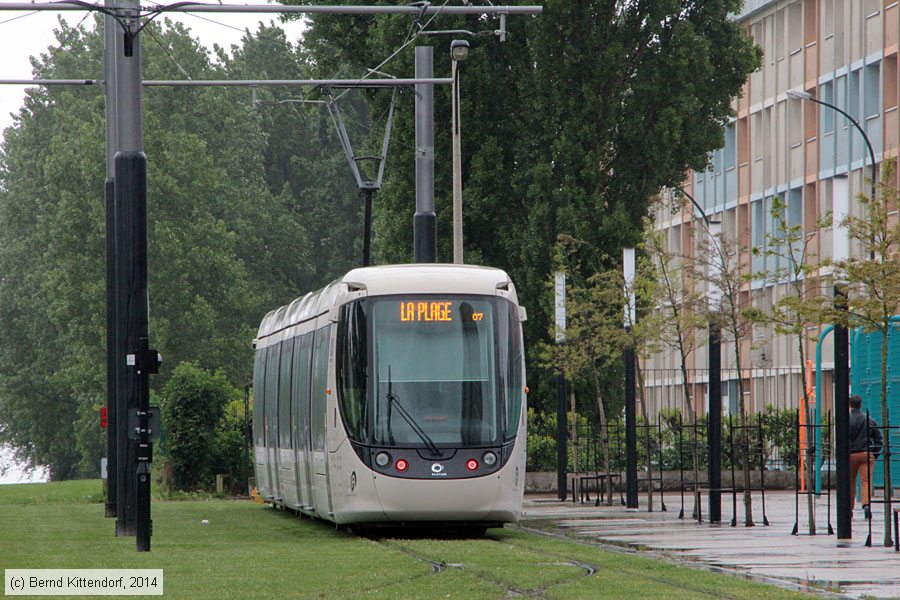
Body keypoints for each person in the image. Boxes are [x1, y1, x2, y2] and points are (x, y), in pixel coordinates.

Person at [849, 395, 883, 520]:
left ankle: (849, 509)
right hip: (866, 453)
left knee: (850, 482)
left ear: (850, 405)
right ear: (861, 404)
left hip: (851, 455)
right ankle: (866, 505)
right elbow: (878, 439)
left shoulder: (846, 420)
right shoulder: (870, 420)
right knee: (866, 481)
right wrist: (874, 454)